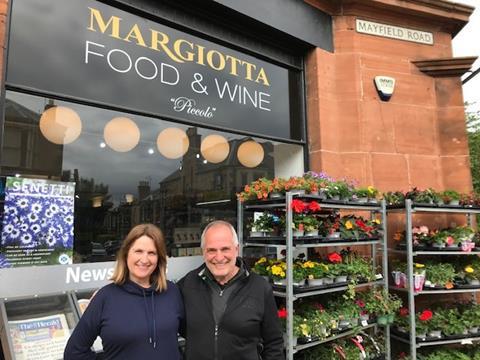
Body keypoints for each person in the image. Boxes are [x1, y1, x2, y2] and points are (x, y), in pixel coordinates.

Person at [64, 224, 184, 360]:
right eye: (138, 251)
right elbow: (74, 352)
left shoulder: (172, 292)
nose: (144, 259)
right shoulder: (105, 297)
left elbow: (195, 333)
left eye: (152, 253)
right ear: (126, 254)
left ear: (159, 258)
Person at [178, 220, 284, 360]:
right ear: (203, 252)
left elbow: (274, 343)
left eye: (225, 249)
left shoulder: (259, 287)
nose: (219, 257)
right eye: (211, 250)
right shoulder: (188, 284)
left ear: (237, 249)